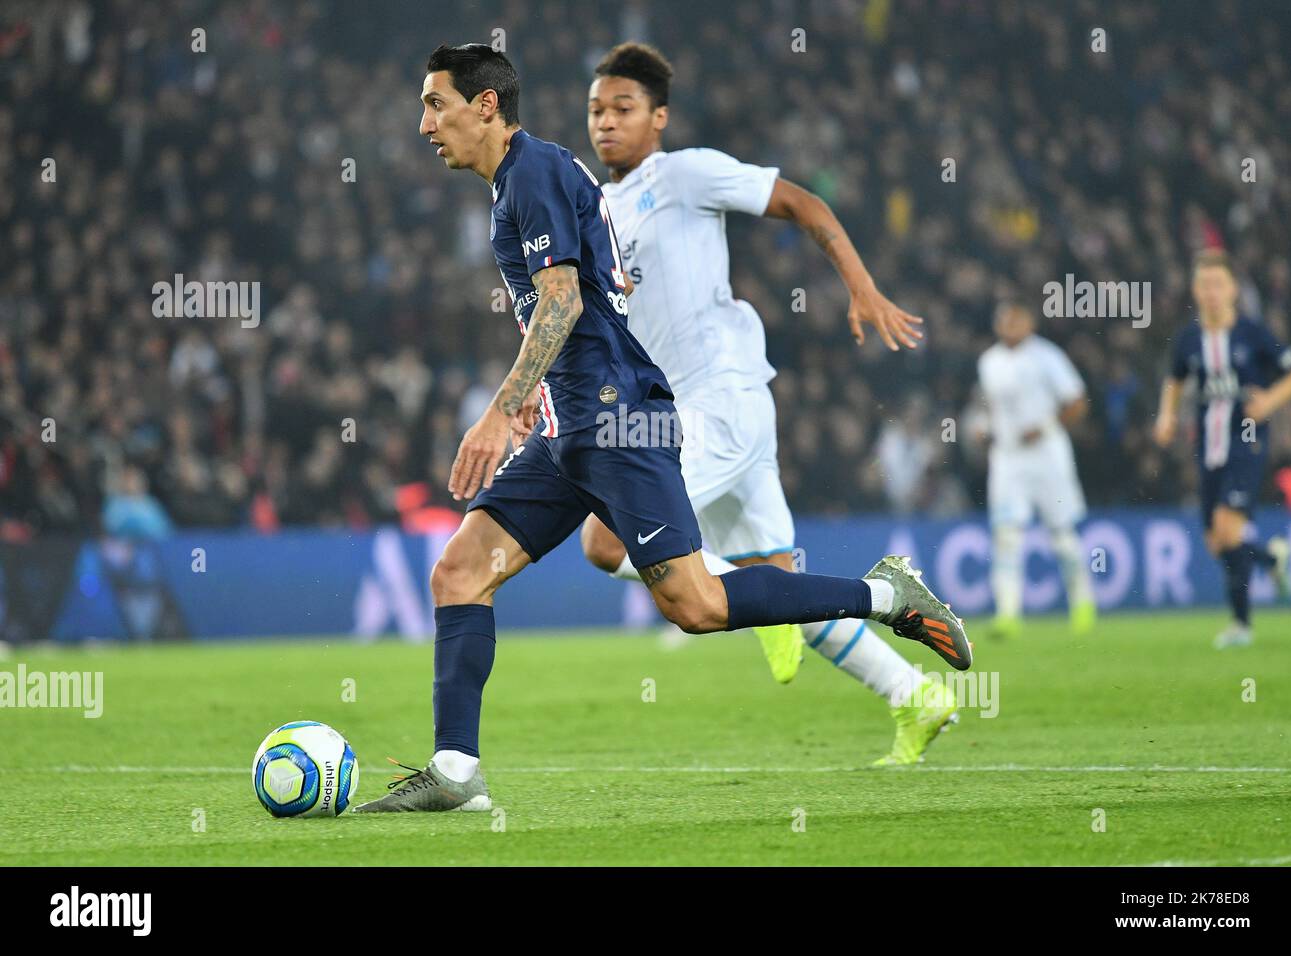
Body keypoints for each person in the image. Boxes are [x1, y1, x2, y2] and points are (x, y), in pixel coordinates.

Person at [356, 44, 969, 814]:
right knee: (459, 572)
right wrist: (537, 399)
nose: (424, 126)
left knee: (698, 605)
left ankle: (886, 595)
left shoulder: (535, 172)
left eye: (435, 105)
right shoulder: (526, 180)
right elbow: (578, 298)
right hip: (572, 424)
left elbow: (562, 302)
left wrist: (501, 407)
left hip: (618, 419)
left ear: (484, 107)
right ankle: (455, 771)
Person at [577, 42, 957, 767]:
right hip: (684, 409)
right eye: (596, 110)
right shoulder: (597, 208)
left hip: (719, 399)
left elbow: (801, 203)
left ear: (659, 118)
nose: (606, 122)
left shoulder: (685, 173)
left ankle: (817, 602)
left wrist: (861, 286)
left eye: (624, 108)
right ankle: (915, 694)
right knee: (781, 589)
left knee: (605, 539)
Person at [1154, 250, 1291, 648]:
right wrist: (1166, 416)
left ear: (1233, 289)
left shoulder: (1253, 333)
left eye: (1218, 284)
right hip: (1208, 443)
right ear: (1195, 291)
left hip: (1246, 439)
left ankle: (1241, 624)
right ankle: (1271, 559)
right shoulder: (1188, 339)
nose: (1211, 292)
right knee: (1216, 541)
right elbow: (1174, 379)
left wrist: (1269, 402)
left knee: (1227, 527)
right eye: (1204, 285)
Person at [975, 302, 1095, 639]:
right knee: (1006, 535)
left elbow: (1077, 402)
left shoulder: (1047, 356)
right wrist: (984, 427)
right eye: (1005, 321)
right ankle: (1007, 614)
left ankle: (1082, 603)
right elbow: (989, 405)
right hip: (1007, 457)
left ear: (1030, 323)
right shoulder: (988, 361)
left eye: (1017, 320)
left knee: (1062, 534)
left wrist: (1044, 427)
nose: (1011, 326)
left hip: (1047, 454)